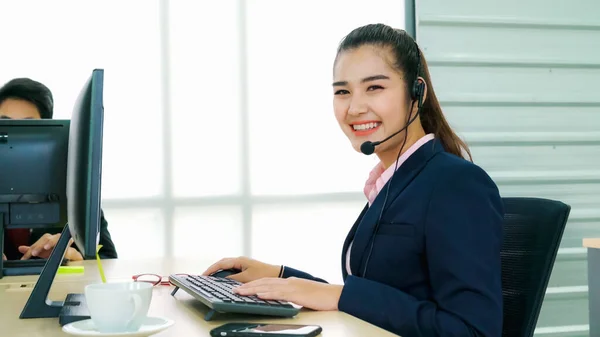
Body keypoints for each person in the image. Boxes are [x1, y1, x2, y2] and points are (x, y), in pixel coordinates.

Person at [202, 23, 504, 336]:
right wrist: (279, 277)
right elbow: (374, 297)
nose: (355, 108)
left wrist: (341, 295)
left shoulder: (455, 184)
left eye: (374, 87)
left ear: (417, 93)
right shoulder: (391, 183)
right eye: (343, 91)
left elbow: (473, 329)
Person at [0, 77, 118, 261]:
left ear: (47, 133)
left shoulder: (73, 191)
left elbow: (108, 261)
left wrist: (75, 257)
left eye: (28, 126)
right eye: (5, 125)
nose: (16, 138)